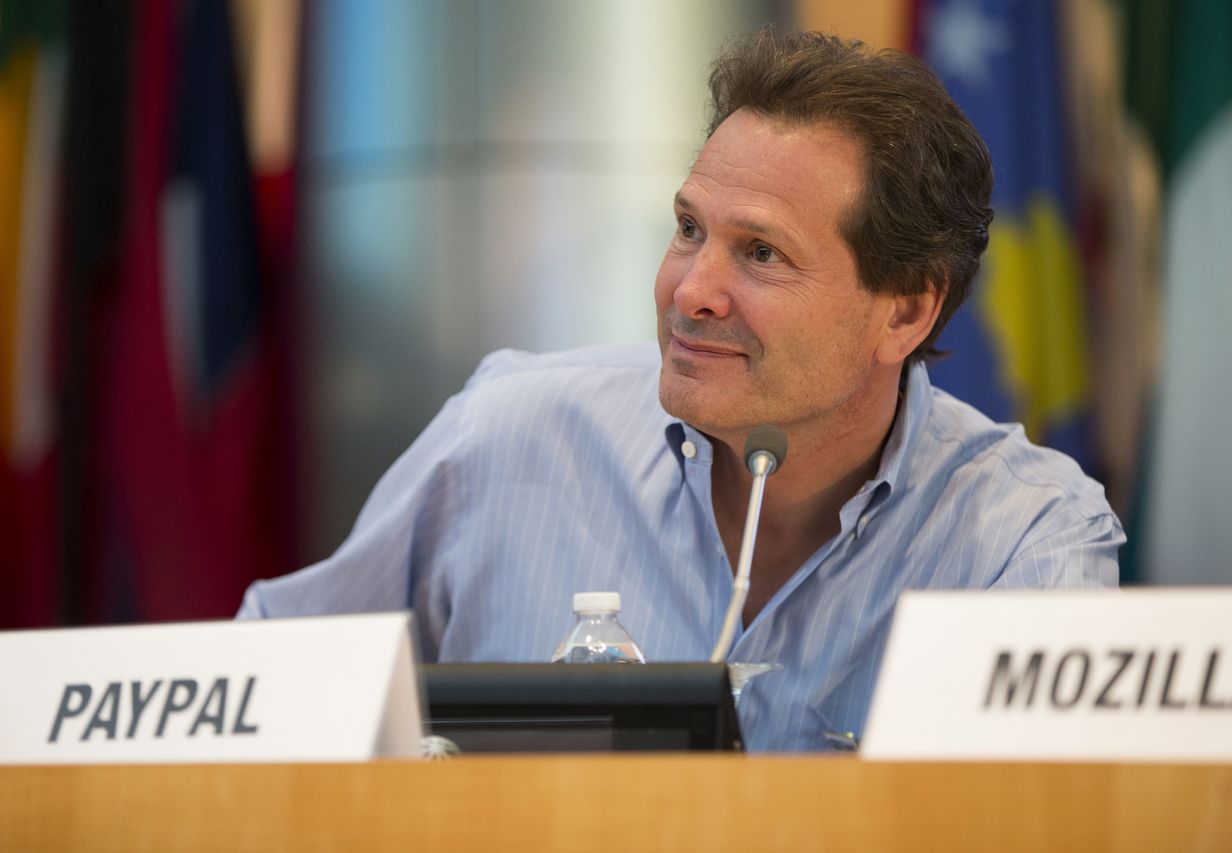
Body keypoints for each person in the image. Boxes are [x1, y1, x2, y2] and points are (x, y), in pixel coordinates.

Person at [238, 30, 1122, 751]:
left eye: (761, 252)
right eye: (689, 228)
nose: (690, 289)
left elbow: (1063, 822)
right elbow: (259, 689)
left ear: (905, 312)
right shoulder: (507, 435)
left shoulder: (1023, 535)